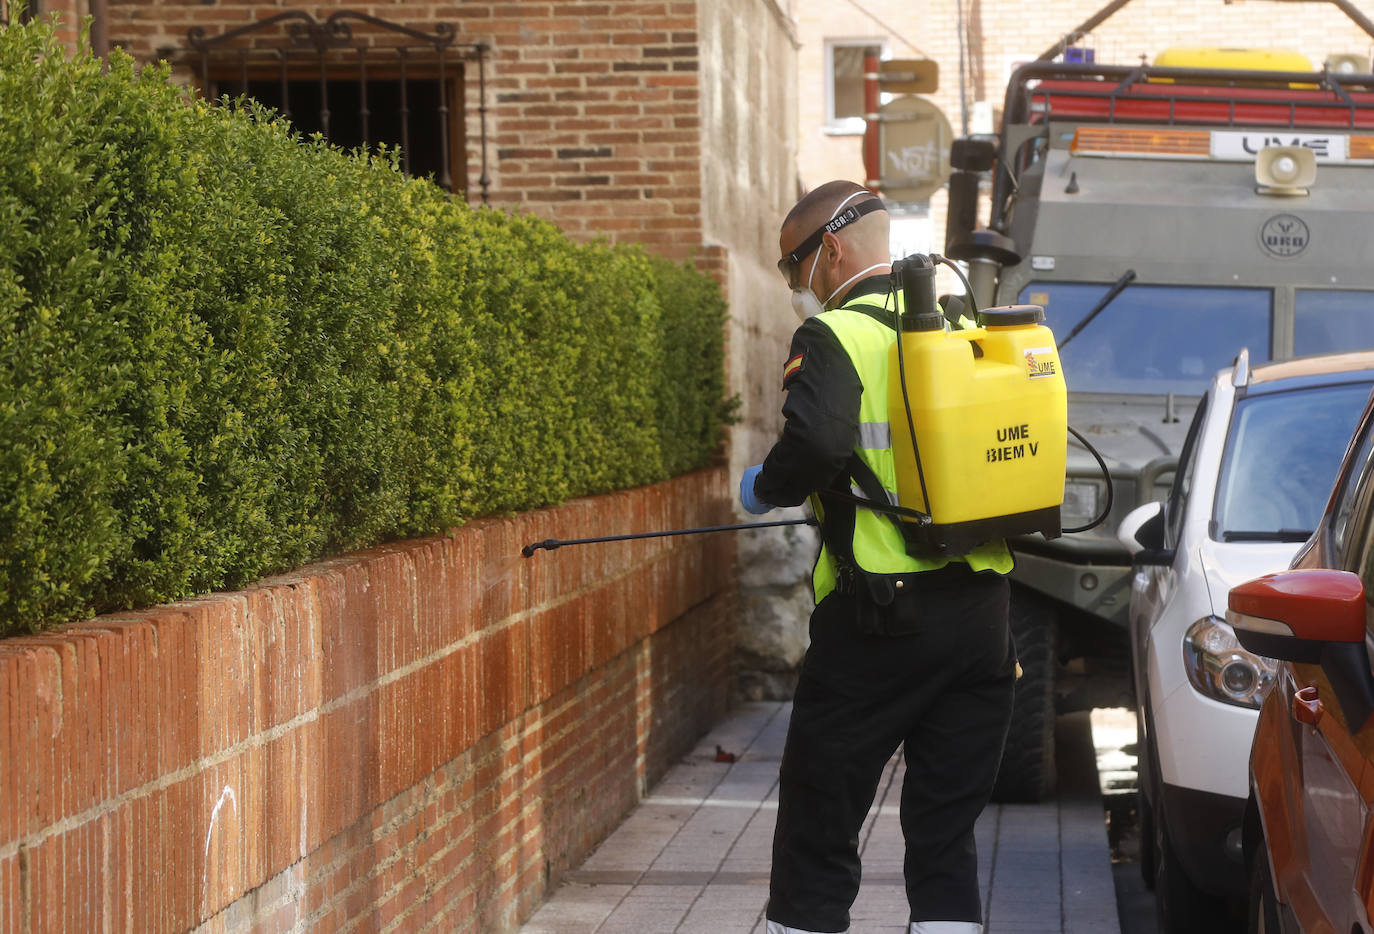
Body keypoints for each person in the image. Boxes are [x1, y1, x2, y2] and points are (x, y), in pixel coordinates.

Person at [739, 180, 1017, 934]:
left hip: (877, 620)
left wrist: (764, 488)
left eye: (794, 268)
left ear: (828, 250)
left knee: (819, 828)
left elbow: (820, 444)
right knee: (944, 838)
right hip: (981, 617)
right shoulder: (966, 323)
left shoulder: (835, 336)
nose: (798, 286)